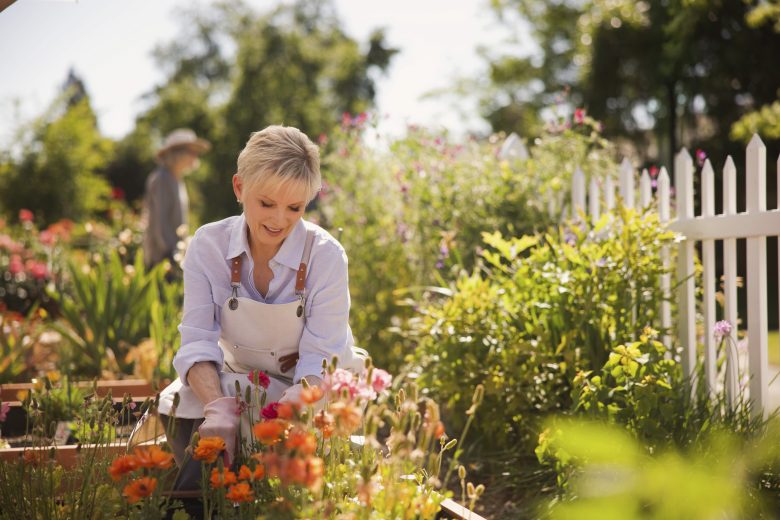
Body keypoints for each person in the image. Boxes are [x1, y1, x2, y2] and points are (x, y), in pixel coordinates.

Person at [147, 125, 364, 490]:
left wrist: (288, 415)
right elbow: (197, 341)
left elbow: (319, 361)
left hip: (311, 386)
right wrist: (217, 408)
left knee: (297, 457)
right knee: (180, 405)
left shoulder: (325, 257)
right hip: (241, 380)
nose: (279, 220)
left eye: (294, 207)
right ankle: (201, 503)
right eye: (266, 203)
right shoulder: (208, 246)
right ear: (239, 188)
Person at [142, 128, 210, 269]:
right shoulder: (162, 179)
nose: (196, 157)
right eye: (192, 152)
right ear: (178, 153)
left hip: (173, 257)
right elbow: (160, 224)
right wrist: (172, 256)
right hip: (162, 260)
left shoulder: (176, 179)